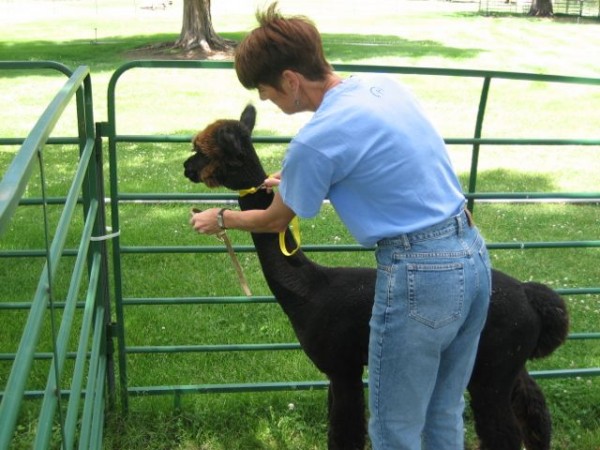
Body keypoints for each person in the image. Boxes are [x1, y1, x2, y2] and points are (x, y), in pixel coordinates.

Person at [190, 3, 492, 449]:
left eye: (268, 92)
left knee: (394, 430)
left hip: (421, 276)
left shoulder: (316, 139)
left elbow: (275, 220)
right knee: (441, 411)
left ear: (291, 80)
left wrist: (222, 217)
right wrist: (296, 179)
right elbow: (387, 164)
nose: (269, 102)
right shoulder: (381, 87)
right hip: (472, 257)